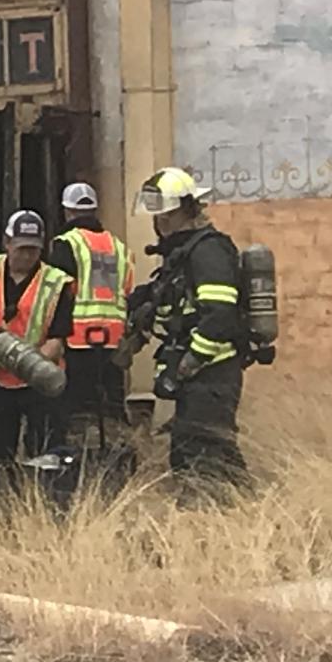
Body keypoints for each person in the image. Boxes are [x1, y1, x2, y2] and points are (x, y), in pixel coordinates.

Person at [133, 167, 250, 497]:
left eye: (163, 215)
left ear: (179, 212)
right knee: (196, 454)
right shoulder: (182, 255)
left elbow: (219, 315)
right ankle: (236, 517)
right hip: (198, 378)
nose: (159, 223)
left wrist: (188, 363)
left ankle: (232, 518)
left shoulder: (208, 251)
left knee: (207, 457)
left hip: (211, 374)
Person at [0, 210, 74, 485]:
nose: (27, 256)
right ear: (7, 243)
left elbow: (58, 339)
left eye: (34, 250)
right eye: (21, 249)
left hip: (37, 384)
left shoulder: (57, 282)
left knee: (46, 455)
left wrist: (32, 365)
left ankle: (44, 504)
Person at [47, 182, 134, 449]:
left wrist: (53, 334)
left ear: (67, 211)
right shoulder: (118, 246)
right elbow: (127, 287)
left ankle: (79, 460)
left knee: (77, 410)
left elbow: (58, 292)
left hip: (77, 339)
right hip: (114, 341)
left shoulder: (66, 244)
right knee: (110, 409)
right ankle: (117, 459)